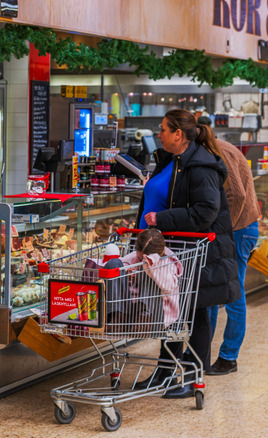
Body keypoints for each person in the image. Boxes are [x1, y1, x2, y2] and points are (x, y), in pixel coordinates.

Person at [135, 109, 239, 398]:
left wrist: (161, 220)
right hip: (177, 249)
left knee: (197, 311)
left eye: (163, 130)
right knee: (174, 313)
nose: (159, 134)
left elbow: (206, 211)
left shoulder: (201, 166)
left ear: (178, 134)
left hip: (200, 252)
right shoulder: (174, 160)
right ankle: (166, 372)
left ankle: (193, 378)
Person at [197, 116, 260, 375]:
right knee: (213, 292)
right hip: (236, 229)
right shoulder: (214, 147)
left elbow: (237, 194)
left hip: (240, 230)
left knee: (233, 294)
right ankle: (204, 353)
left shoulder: (218, 150)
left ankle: (228, 357)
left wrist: (225, 229)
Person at [104, 229, 182, 334]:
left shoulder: (168, 264)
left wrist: (148, 266)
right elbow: (122, 267)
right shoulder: (134, 257)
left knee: (146, 268)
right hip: (130, 310)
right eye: (139, 257)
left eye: (143, 258)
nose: (140, 260)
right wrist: (128, 275)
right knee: (114, 264)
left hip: (154, 316)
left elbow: (168, 287)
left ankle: (144, 317)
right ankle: (117, 317)